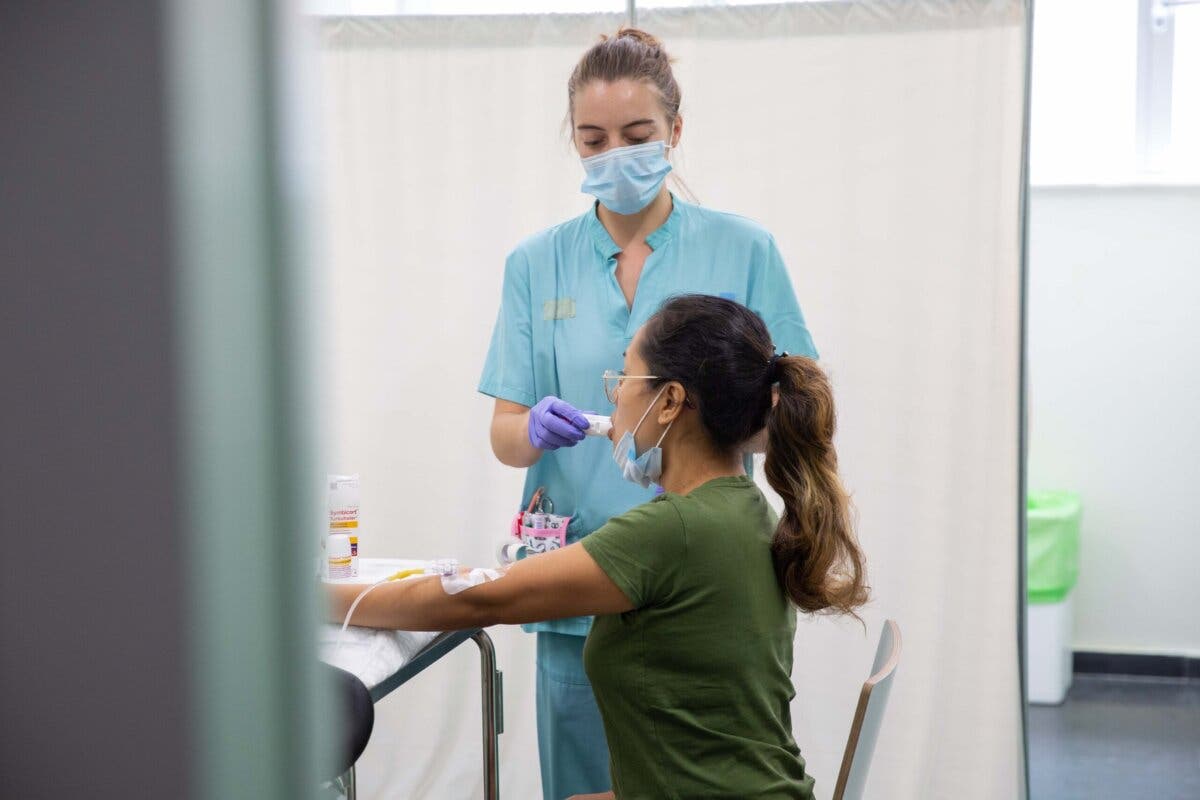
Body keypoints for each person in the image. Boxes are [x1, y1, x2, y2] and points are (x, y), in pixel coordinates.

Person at [330, 295, 868, 800]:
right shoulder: (743, 508)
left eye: (625, 377)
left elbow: (476, 601)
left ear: (670, 401)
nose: (614, 396)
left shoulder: (673, 531)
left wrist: (322, 597)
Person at [478, 28, 819, 799]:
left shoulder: (744, 251)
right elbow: (504, 436)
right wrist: (530, 430)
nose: (615, 156)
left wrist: (709, 424)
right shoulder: (537, 265)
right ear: (572, 141)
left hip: (706, 587)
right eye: (593, 140)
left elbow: (789, 410)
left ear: (675, 131)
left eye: (637, 136)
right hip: (577, 579)